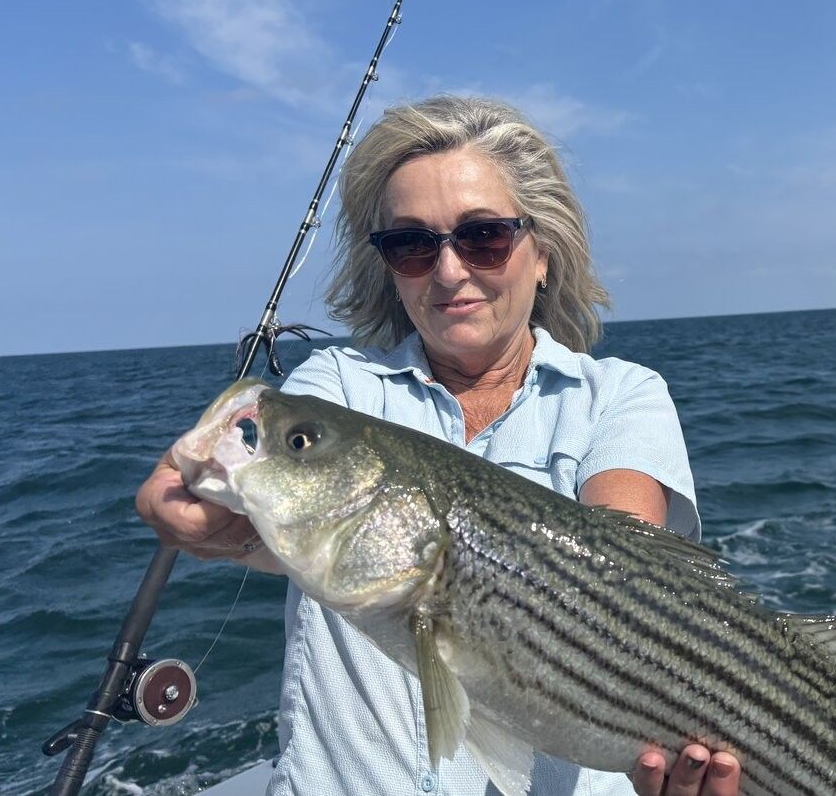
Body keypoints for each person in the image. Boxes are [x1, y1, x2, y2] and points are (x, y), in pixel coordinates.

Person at [137, 95, 742, 796]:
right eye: (413, 244)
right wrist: (197, 511)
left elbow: (622, 565)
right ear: (389, 266)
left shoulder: (619, 395)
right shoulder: (337, 385)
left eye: (484, 236)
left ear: (542, 252)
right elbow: (273, 513)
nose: (450, 271)